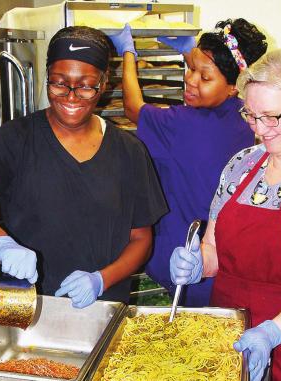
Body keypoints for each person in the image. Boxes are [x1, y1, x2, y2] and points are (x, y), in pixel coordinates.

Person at [0, 26, 168, 308]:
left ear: (104, 82)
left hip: (104, 307)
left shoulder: (129, 151)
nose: (71, 97)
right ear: (47, 77)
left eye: (85, 85)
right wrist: (2, 243)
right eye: (59, 83)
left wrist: (101, 279)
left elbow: (141, 238)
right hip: (29, 309)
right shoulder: (18, 138)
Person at [170, 49, 281, 381]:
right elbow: (213, 249)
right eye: (251, 115)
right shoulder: (242, 166)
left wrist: (272, 332)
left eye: (271, 116)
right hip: (228, 343)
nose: (258, 129)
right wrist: (197, 264)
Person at [110, 19, 267, 306]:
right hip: (223, 255)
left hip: (186, 255)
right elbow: (213, 82)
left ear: (234, 87)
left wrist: (127, 52)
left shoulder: (183, 124)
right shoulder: (242, 116)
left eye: (204, 77)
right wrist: (191, 53)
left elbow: (132, 108)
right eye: (191, 68)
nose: (191, 80)